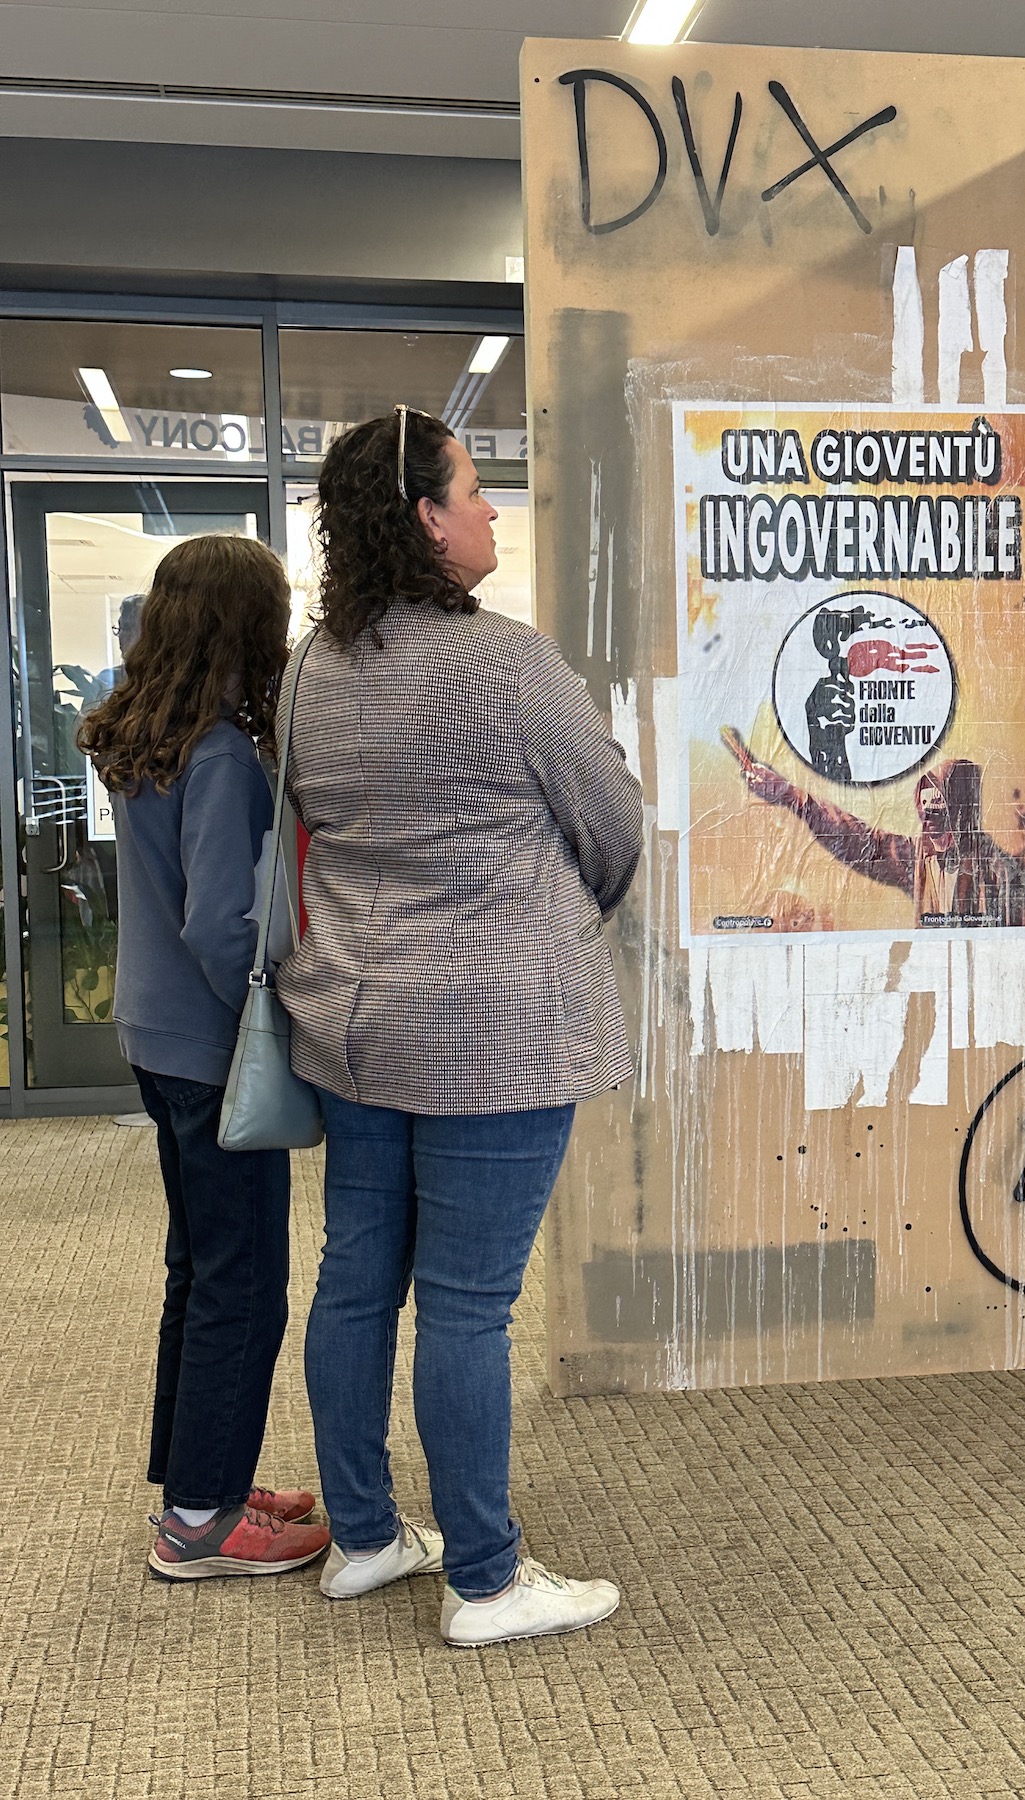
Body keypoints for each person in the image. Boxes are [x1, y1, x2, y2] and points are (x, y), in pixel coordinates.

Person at [279, 406, 644, 1646]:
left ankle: (368, 1538)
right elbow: (613, 823)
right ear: (427, 518)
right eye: (477, 492)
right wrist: (541, 918)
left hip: (356, 1020)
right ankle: (486, 1579)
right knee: (471, 1306)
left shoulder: (309, 669)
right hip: (497, 1028)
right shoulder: (510, 664)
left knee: (356, 1280)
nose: (493, 513)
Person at [78, 536, 331, 1581]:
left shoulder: (144, 739)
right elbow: (225, 928)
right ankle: (199, 1522)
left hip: (153, 1036)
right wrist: (277, 1025)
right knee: (245, 1283)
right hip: (212, 1043)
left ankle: (199, 1480)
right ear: (249, 624)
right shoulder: (223, 754)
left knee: (198, 1268)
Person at [726, 734, 1025, 928]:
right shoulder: (918, 860)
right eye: (925, 809)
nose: (931, 821)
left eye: (940, 806)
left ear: (963, 810)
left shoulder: (1006, 877)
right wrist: (792, 796)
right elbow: (860, 842)